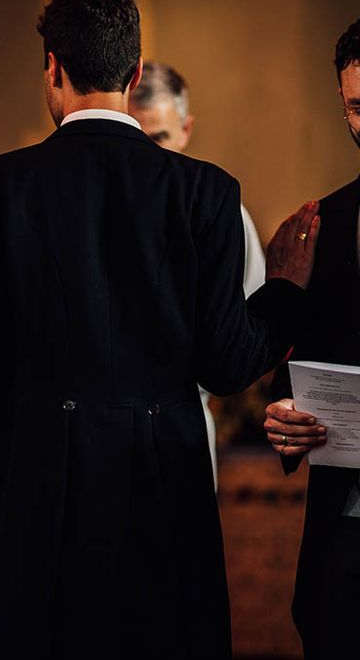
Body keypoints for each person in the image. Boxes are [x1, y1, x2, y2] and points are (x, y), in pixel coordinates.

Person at [0, 0, 320, 660]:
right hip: (166, 498)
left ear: (53, 68)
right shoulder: (206, 193)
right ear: (134, 73)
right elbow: (226, 364)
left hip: (40, 501)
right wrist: (284, 286)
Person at [261, 18, 360, 660]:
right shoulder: (325, 224)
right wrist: (285, 421)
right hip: (347, 545)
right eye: (357, 106)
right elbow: (299, 377)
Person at [129, 61, 267, 485]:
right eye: (139, 138)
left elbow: (245, 331)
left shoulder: (219, 211)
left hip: (182, 421)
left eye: (161, 138)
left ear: (186, 129)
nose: (150, 153)